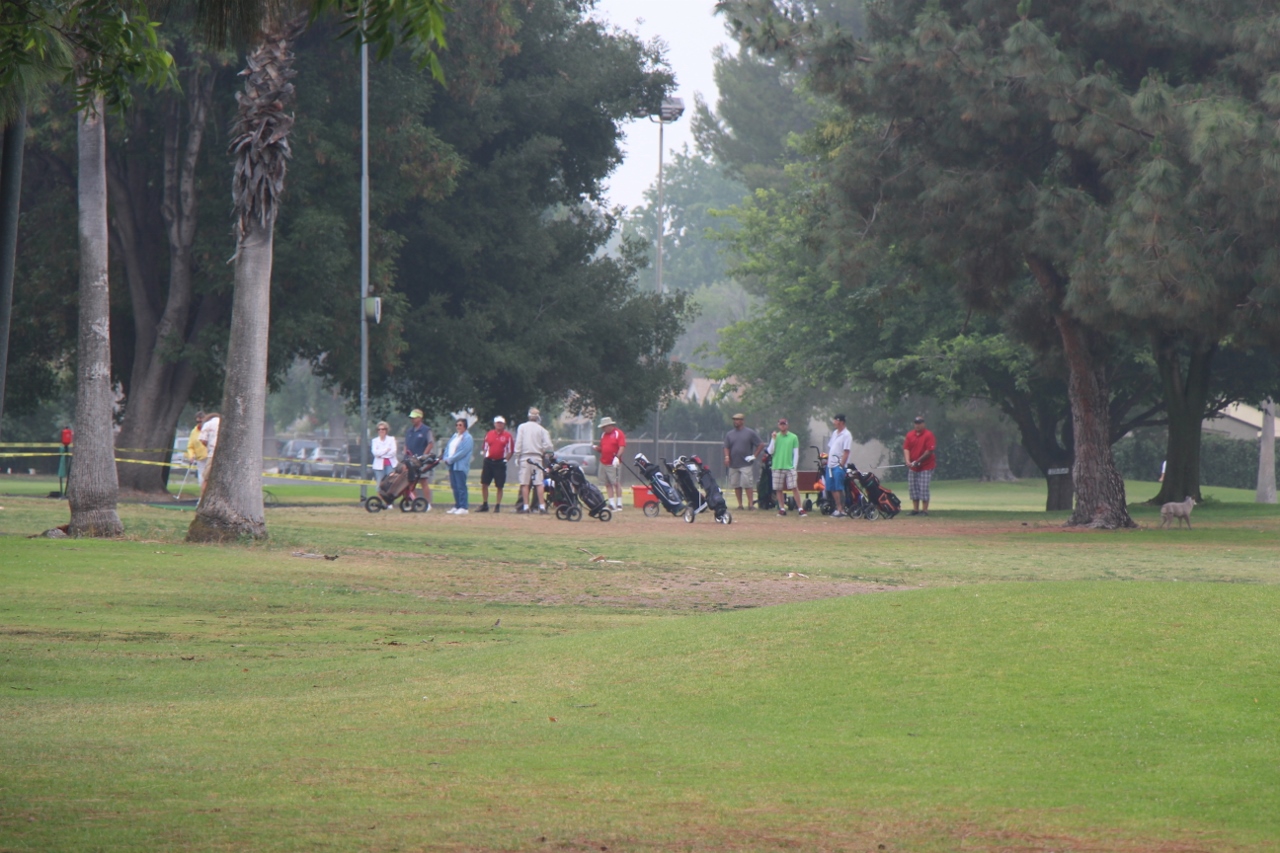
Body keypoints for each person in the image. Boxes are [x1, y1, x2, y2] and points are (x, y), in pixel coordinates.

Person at [513, 407, 554, 513]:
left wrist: (517, 455)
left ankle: (526, 507)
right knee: (538, 483)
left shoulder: (522, 427)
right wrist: (543, 450)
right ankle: (542, 506)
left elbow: (519, 443)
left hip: (525, 457)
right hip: (537, 457)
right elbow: (549, 445)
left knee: (525, 483)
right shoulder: (542, 429)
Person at [723, 413, 764, 510]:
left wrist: (754, 455)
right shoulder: (730, 434)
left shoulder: (749, 433)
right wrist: (727, 457)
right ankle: (740, 504)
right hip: (734, 463)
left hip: (745, 463)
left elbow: (760, 444)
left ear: (742, 421)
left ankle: (750, 504)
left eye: (737, 420)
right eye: (734, 420)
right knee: (736, 484)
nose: (735, 422)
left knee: (747, 484)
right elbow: (726, 447)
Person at [769, 418, 805, 517]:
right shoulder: (776, 437)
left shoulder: (793, 437)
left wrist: (794, 466)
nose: (782, 426)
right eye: (781, 424)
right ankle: (781, 508)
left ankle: (800, 508)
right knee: (778, 488)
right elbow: (770, 451)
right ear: (778, 426)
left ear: (787, 425)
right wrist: (773, 439)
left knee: (794, 487)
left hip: (789, 466)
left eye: (784, 424)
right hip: (777, 465)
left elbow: (796, 453)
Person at [478, 416, 514, 513]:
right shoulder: (489, 434)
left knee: (499, 485)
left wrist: (505, 460)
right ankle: (485, 504)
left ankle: (497, 505)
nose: (499, 424)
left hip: (500, 462)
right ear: (494, 424)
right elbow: (485, 447)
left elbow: (510, 451)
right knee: (484, 483)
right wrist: (485, 457)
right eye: (497, 423)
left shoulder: (507, 436)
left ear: (504, 424)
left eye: (501, 423)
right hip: (489, 461)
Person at [903, 415, 937, 516]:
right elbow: (906, 448)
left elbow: (929, 451)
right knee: (913, 488)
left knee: (923, 487)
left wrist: (918, 460)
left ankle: (925, 510)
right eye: (916, 423)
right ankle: (915, 509)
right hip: (913, 467)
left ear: (923, 424)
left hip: (926, 466)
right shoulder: (910, 435)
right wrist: (908, 461)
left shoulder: (928, 435)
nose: (917, 425)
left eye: (919, 423)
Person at [593, 416, 627, 511]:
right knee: (607, 483)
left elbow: (621, 446)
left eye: (604, 427)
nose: (603, 429)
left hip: (614, 463)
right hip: (603, 462)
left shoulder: (618, 433)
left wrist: (617, 457)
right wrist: (597, 448)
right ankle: (611, 503)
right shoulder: (603, 435)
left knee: (616, 483)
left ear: (610, 426)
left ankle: (619, 503)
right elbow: (603, 449)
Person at [442, 418, 475, 515]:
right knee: (454, 486)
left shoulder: (468, 438)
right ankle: (457, 505)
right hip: (451, 465)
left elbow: (462, 452)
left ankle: (463, 507)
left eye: (460, 425)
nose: (458, 427)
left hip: (460, 465)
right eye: (457, 425)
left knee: (461, 486)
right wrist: (445, 457)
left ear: (465, 426)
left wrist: (451, 459)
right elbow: (448, 447)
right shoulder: (454, 436)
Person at [404, 408, 434, 509]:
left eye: (414, 417)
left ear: (420, 418)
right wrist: (405, 454)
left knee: (423, 481)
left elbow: (430, 443)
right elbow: (406, 445)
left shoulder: (426, 430)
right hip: (411, 461)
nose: (412, 419)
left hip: (422, 461)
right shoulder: (409, 431)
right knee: (411, 482)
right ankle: (416, 503)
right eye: (411, 418)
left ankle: (428, 504)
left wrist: (423, 456)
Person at [826, 413, 852, 517]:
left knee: (839, 487)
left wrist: (841, 464)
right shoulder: (834, 433)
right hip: (830, 465)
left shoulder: (847, 435)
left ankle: (842, 509)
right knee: (832, 487)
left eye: (836, 420)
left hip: (839, 465)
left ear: (841, 422)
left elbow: (846, 451)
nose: (834, 423)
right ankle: (838, 508)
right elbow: (832, 447)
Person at [198, 411, 221, 496]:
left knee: (206, 479)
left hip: (213, 454)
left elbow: (202, 439)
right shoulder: (225, 423)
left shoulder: (208, 424)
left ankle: (203, 499)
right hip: (227, 456)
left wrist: (208, 446)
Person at [185, 411, 208, 488]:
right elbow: (190, 446)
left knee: (209, 478)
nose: (199, 423)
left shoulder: (209, 430)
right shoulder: (194, 432)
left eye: (201, 420)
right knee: (201, 479)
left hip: (210, 457)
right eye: (198, 421)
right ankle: (202, 496)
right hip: (200, 459)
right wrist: (191, 456)